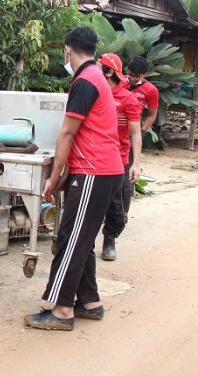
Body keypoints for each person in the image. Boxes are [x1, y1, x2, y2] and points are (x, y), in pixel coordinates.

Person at [24, 27, 123, 331]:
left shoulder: (85, 82)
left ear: (68, 50)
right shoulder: (96, 77)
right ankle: (89, 302)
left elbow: (67, 132)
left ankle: (63, 309)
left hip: (94, 171)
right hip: (101, 170)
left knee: (71, 241)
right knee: (79, 238)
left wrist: (54, 178)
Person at [97, 53, 143, 262]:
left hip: (120, 159)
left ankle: (109, 239)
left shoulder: (128, 99)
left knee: (118, 203)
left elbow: (135, 132)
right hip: (95, 156)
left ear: (109, 72)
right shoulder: (95, 93)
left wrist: (136, 164)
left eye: (99, 67)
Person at [127, 56, 160, 132]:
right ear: (128, 70)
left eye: (137, 76)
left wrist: (142, 131)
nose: (132, 79)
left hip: (132, 132)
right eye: (130, 74)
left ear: (144, 74)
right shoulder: (119, 82)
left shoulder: (151, 90)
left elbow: (152, 114)